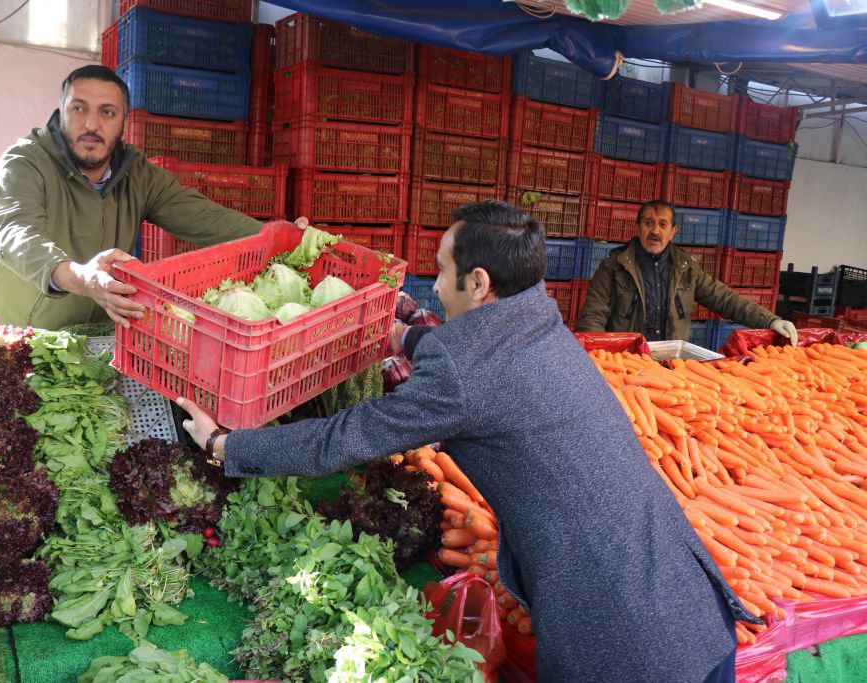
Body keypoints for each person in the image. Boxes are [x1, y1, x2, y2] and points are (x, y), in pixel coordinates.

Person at [177, 200, 756, 682]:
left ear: (478, 283)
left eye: (439, 269)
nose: (434, 283)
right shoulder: (540, 319)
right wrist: (402, 332)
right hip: (689, 605)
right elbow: (472, 357)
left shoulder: (466, 374)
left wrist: (227, 446)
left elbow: (345, 437)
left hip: (624, 638)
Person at [0, 65, 268, 330]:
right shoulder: (25, 162)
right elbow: (14, 232)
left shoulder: (138, 176)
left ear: (124, 121)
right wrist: (83, 278)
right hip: (12, 340)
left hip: (88, 348)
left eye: (107, 112)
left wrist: (290, 236)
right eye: (79, 109)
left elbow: (206, 219)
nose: (91, 124)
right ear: (61, 113)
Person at [576, 199, 798, 346]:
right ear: (638, 227)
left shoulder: (687, 269)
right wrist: (604, 360)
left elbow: (725, 299)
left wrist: (770, 321)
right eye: (649, 223)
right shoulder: (613, 268)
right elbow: (592, 319)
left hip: (671, 364)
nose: (655, 230)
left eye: (663, 225)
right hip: (627, 363)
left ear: (673, 232)